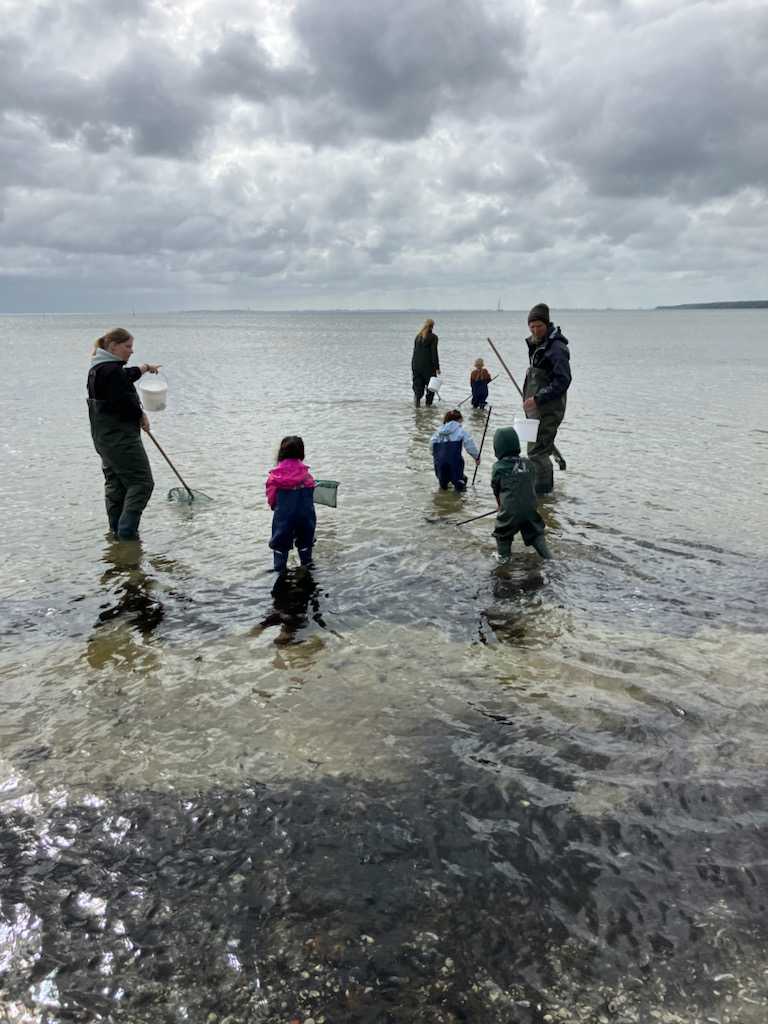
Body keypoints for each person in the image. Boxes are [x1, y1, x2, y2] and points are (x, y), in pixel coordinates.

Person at [87, 328, 160, 540]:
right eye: (127, 346)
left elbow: (126, 376)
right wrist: (141, 416)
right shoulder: (111, 371)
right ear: (112, 346)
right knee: (142, 482)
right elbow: (123, 400)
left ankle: (116, 532)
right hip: (120, 438)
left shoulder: (98, 368)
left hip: (103, 439)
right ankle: (128, 533)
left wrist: (145, 368)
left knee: (116, 483)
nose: (131, 351)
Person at [522, 303, 572, 495]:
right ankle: (542, 492)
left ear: (547, 324)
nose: (535, 330)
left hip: (548, 408)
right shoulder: (537, 345)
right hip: (534, 408)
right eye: (532, 326)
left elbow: (563, 380)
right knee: (535, 448)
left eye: (539, 326)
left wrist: (537, 398)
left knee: (537, 452)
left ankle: (543, 496)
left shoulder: (557, 348)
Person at [491, 426, 552, 560]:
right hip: (530, 509)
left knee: (503, 534)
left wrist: (500, 506)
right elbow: (529, 486)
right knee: (535, 533)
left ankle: (503, 560)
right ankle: (549, 559)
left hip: (510, 511)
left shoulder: (498, 467)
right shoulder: (529, 464)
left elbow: (497, 490)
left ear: (498, 448)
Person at [266, 435, 317, 573]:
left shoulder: (274, 477)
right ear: (302, 453)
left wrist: (276, 506)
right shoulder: (307, 476)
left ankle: (280, 573)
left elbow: (272, 500)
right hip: (306, 517)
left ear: (281, 453)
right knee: (305, 543)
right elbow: (310, 493)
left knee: (280, 545)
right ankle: (307, 568)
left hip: (284, 518)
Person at [430, 410, 480, 492]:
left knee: (443, 485)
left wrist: (435, 455)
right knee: (459, 484)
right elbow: (470, 445)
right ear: (459, 419)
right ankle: (458, 500)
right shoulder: (461, 431)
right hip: (455, 462)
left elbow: (431, 446)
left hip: (440, 462)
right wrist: (477, 457)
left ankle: (442, 500)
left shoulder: (438, 432)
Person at [411, 318, 440, 407]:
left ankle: (417, 405)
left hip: (416, 364)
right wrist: (437, 367)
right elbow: (434, 353)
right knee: (431, 386)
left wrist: (413, 365)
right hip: (428, 366)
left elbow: (415, 351)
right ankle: (428, 407)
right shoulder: (433, 337)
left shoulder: (418, 337)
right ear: (432, 327)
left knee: (417, 386)